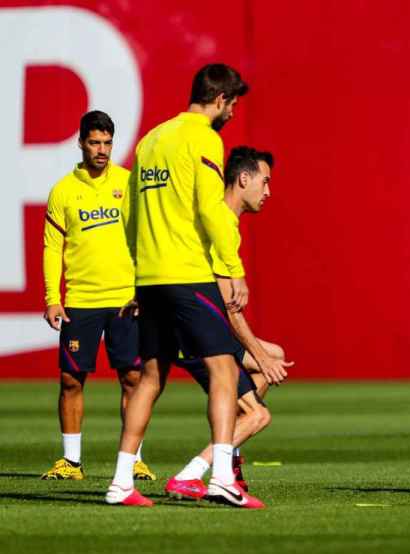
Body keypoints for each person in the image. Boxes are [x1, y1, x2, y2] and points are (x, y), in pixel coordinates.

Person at [105, 63, 257, 508]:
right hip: (188, 273)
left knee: (150, 377)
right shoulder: (204, 137)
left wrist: (138, 273)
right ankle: (222, 478)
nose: (232, 113)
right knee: (225, 369)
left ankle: (120, 483)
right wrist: (233, 267)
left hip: (150, 277)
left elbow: (130, 215)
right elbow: (212, 210)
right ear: (222, 99)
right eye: (233, 104)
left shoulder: (151, 139)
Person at [164, 146, 293, 500]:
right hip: (195, 333)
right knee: (258, 415)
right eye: (264, 183)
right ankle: (194, 473)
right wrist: (260, 356)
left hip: (193, 324)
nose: (268, 192)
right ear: (244, 179)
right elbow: (228, 308)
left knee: (273, 357)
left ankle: (230, 456)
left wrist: (265, 358)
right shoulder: (220, 222)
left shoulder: (223, 221)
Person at [40, 110, 154, 482]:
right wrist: (51, 297)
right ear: (81, 142)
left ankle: (133, 459)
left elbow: (143, 238)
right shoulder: (63, 191)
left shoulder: (126, 182)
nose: (102, 149)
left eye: (107, 142)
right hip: (81, 302)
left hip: (124, 299)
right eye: (95, 142)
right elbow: (51, 247)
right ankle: (71, 462)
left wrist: (143, 289)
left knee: (133, 379)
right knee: (71, 380)